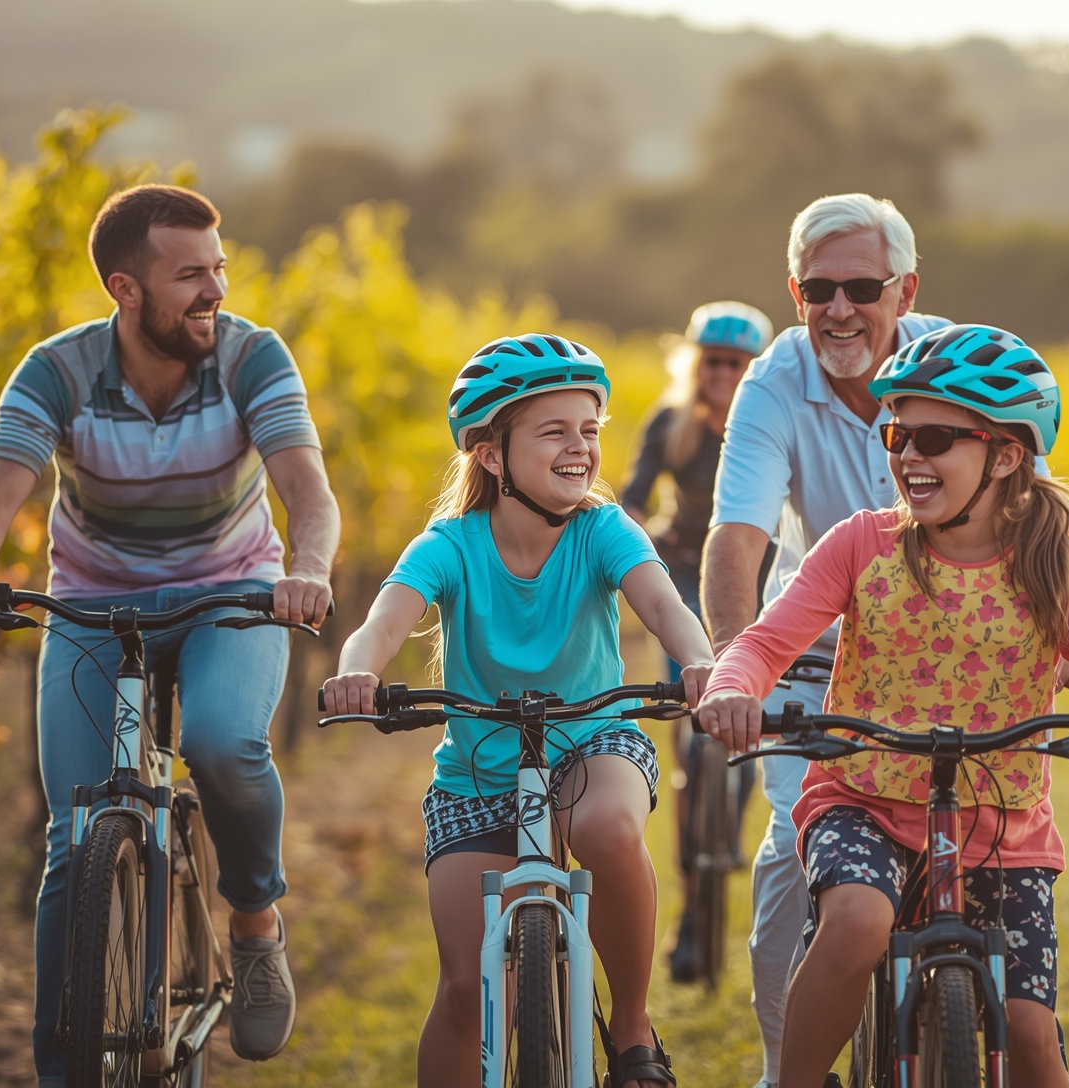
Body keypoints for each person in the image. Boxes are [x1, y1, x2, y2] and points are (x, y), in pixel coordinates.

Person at [698, 323, 1069, 1088]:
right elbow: (765, 643)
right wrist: (733, 687)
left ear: (1007, 455)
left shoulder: (1054, 558)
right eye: (896, 435)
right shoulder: (862, 544)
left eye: (933, 439)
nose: (906, 458)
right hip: (863, 800)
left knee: (1030, 1032)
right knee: (857, 920)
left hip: (1003, 824)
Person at [0, 184, 339, 1083]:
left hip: (232, 590)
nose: (215, 289)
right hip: (95, 601)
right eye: (190, 275)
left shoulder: (252, 355)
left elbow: (307, 489)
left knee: (222, 742)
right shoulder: (56, 370)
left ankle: (253, 921)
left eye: (219, 268)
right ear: (125, 289)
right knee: (75, 836)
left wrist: (308, 570)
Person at [320, 333, 713, 1088]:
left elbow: (667, 607)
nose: (580, 447)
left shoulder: (603, 530)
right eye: (554, 431)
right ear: (492, 455)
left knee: (607, 828)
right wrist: (356, 673)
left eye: (589, 429)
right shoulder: (450, 544)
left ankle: (632, 1025)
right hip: (479, 775)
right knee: (465, 987)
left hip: (594, 746)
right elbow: (381, 623)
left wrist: (699, 664)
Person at [699, 192, 953, 1088]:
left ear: (905, 290)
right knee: (792, 846)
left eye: (862, 288)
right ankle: (787, 1068)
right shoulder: (774, 382)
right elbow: (737, 538)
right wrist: (736, 672)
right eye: (818, 290)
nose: (838, 310)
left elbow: (1032, 519)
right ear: (795, 292)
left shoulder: (959, 362)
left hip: (952, 652)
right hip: (815, 652)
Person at [620, 299, 773, 982]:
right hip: (683, 572)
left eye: (736, 364)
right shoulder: (670, 423)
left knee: (749, 724)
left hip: (757, 580)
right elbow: (632, 498)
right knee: (691, 725)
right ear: (695, 362)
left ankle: (729, 820)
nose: (723, 374)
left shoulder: (766, 426)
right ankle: (689, 909)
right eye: (713, 361)